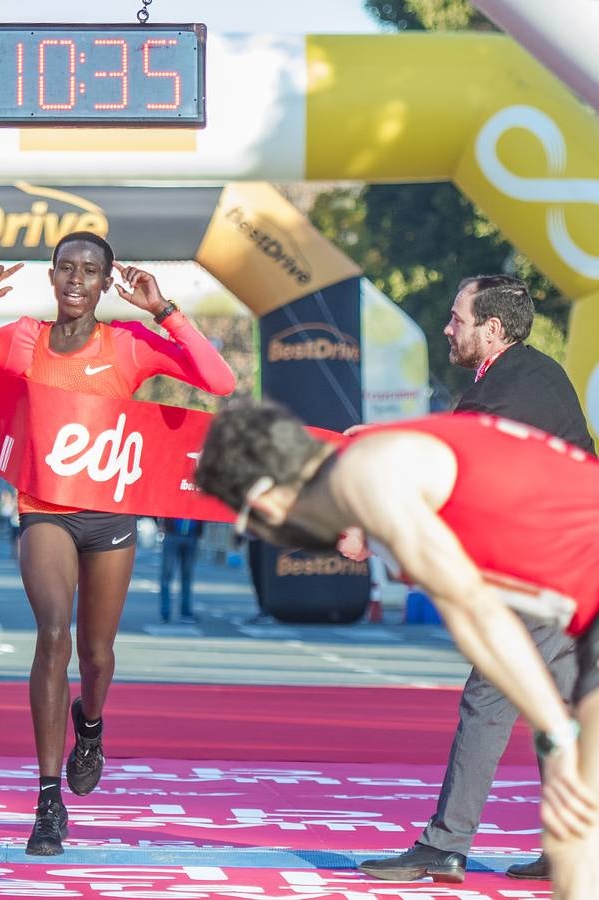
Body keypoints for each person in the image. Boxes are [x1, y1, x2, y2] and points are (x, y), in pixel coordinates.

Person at [194, 400, 599, 900]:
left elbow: (472, 607)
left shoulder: (369, 477)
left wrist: (556, 733)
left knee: (578, 819)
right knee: (579, 826)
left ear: (268, 497)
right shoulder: (374, 456)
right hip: (575, 594)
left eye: (257, 523)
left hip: (584, 585)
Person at [0, 231, 235, 855]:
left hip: (109, 517)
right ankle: (47, 798)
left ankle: (91, 725)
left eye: (91, 270)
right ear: (52, 275)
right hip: (45, 513)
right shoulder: (22, 340)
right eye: (67, 269)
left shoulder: (129, 346)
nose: (77, 280)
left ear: (106, 280)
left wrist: (164, 310)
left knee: (98, 654)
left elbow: (218, 381)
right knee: (53, 634)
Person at [355, 274, 592, 884]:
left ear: (491, 329)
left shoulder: (510, 388)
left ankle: (444, 844)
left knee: (488, 699)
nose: (447, 328)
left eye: (457, 318)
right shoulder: (526, 375)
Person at [157, 518, 203, 624]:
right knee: (167, 575)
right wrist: (160, 524)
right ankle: (165, 613)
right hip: (172, 534)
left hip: (192, 535)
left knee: (187, 576)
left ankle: (185, 612)